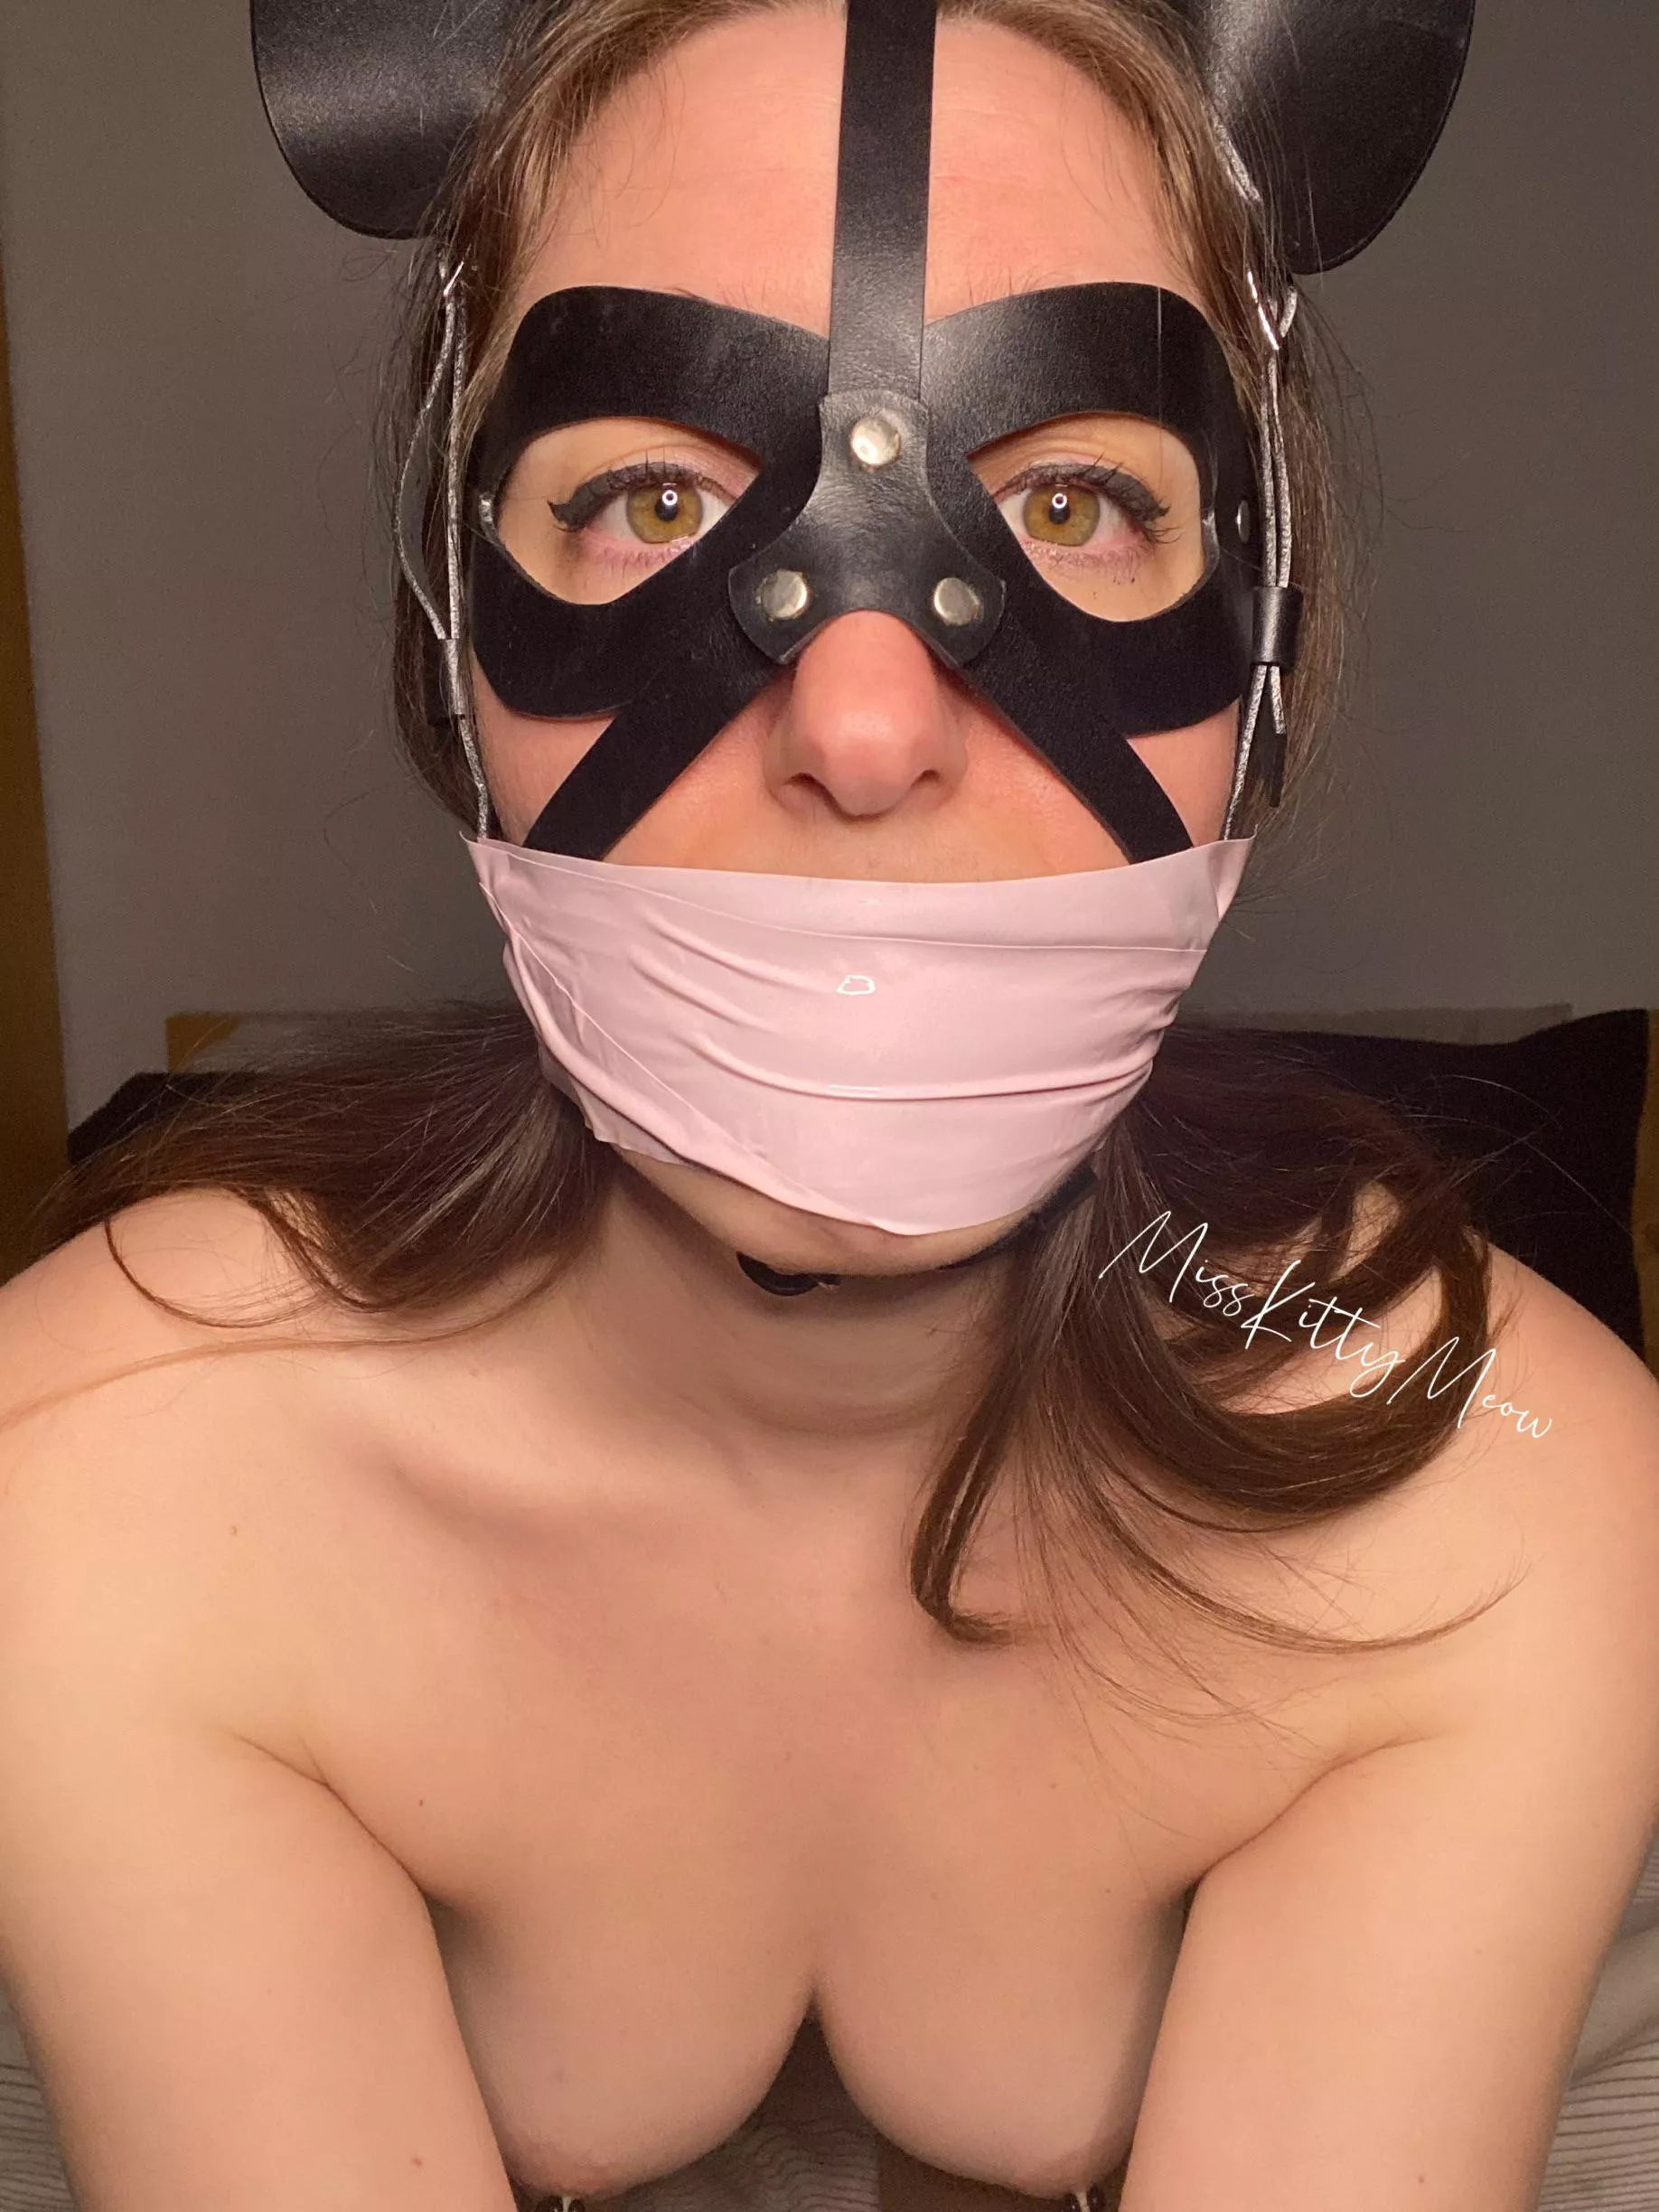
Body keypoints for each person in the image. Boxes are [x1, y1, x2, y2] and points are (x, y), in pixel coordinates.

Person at [2, 1, 1658, 2207]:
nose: (865, 725)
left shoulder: (1500, 1495)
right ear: (451, 638)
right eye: (652, 497)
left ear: (1264, 656)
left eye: (1072, 500)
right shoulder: (103, 1475)